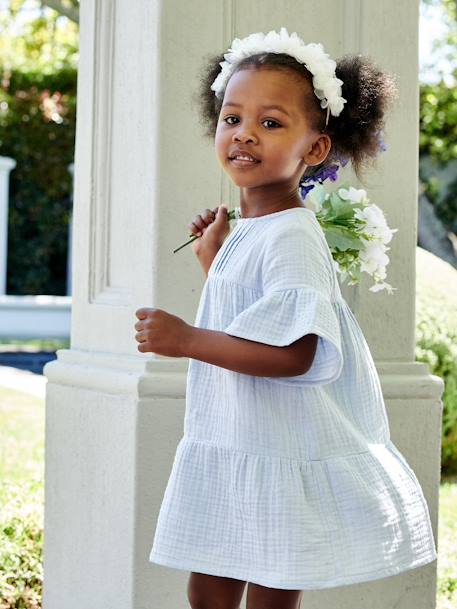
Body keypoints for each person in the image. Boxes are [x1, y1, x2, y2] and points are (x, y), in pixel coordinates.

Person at [134, 27, 437, 609]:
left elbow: (295, 354)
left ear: (315, 149)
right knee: (212, 583)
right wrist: (214, 261)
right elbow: (258, 319)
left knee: (266, 583)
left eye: (271, 124)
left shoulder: (294, 236)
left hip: (271, 442)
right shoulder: (256, 228)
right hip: (236, 434)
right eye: (232, 119)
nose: (244, 134)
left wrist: (187, 339)